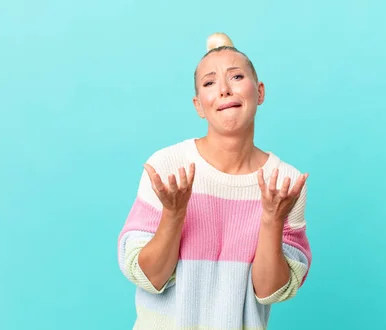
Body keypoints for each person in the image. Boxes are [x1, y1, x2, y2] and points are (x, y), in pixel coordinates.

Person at [117, 32, 312, 330]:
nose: (223, 89)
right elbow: (148, 277)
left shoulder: (284, 183)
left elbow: (271, 291)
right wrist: (174, 213)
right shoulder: (168, 167)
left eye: (235, 77)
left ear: (259, 92)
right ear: (198, 105)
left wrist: (272, 218)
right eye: (209, 82)